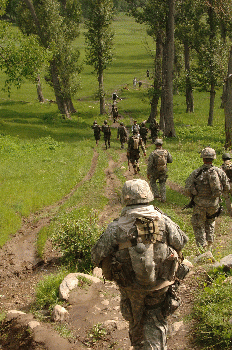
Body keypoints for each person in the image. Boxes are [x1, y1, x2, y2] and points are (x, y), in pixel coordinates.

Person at [91, 179, 189, 350]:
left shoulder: (115, 228)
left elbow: (96, 255)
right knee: (157, 320)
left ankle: (138, 345)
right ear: (149, 195)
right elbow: (181, 241)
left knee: (136, 321)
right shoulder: (163, 221)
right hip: (160, 284)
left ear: (125, 198)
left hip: (130, 286)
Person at [185, 147, 230, 253]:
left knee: (198, 224)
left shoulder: (196, 172)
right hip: (214, 204)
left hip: (199, 204)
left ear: (203, 158)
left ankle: (202, 248)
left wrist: (194, 195)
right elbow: (227, 188)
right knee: (210, 222)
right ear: (213, 158)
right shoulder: (219, 172)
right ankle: (210, 244)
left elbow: (187, 189)